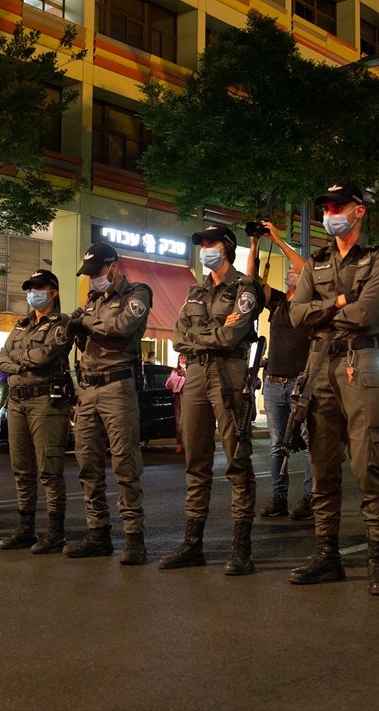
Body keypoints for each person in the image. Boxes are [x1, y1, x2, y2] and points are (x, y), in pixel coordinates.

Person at [288, 183, 379, 594]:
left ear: (359, 211)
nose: (330, 214)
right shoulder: (315, 262)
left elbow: (364, 314)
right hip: (318, 366)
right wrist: (334, 304)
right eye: (327, 208)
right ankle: (326, 555)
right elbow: (295, 315)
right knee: (322, 467)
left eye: (338, 207)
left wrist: (321, 312)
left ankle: (378, 561)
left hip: (361, 362)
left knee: (369, 466)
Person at [163, 224, 264, 575]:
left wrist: (204, 335)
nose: (205, 248)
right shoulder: (196, 291)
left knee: (237, 458)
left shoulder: (245, 288)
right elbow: (178, 338)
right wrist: (214, 332)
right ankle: (193, 544)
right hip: (195, 375)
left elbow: (232, 337)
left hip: (229, 372)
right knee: (195, 459)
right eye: (202, 243)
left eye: (211, 242)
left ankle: (241, 548)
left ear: (227, 247)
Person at [64, 242, 151, 564]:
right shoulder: (92, 300)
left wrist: (86, 324)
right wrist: (75, 327)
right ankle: (97, 533)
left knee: (125, 464)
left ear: (113, 266)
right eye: (89, 273)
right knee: (87, 463)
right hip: (87, 388)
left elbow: (122, 327)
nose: (93, 278)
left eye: (97, 271)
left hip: (117, 387)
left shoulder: (137, 294)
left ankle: (134, 538)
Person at [0, 269, 73, 554]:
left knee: (49, 470)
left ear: (53, 291)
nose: (33, 293)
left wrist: (18, 361)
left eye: (39, 288)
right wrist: (21, 364)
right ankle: (26, 529)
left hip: (46, 402)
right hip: (16, 402)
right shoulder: (21, 325)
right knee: (21, 470)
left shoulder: (61, 324)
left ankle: (55, 532)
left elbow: (45, 356)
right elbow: (2, 358)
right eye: (30, 288)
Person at [248, 220, 314, 522]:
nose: (290, 272)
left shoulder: (308, 303)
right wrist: (255, 243)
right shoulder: (277, 303)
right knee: (277, 445)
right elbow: (252, 281)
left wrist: (277, 238)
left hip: (301, 384)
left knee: (310, 443)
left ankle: (311, 498)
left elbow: (303, 265)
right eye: (288, 272)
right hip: (274, 383)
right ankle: (278, 497)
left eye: (294, 272)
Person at [165, 355, 186, 453]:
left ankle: (188, 444)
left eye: (184, 356)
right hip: (177, 396)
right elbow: (168, 384)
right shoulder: (174, 371)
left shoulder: (190, 370)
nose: (182, 357)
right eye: (180, 356)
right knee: (178, 422)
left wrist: (185, 374)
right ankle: (179, 445)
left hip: (187, 395)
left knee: (188, 421)